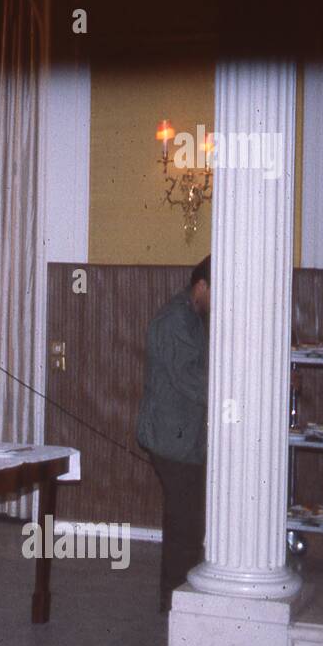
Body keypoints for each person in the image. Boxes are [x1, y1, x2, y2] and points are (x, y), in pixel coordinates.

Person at [137, 255, 211, 611]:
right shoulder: (177, 320)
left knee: (185, 523)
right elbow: (192, 381)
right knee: (185, 527)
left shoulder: (191, 316)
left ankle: (175, 601)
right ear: (202, 286)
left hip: (182, 436)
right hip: (173, 438)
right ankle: (177, 606)